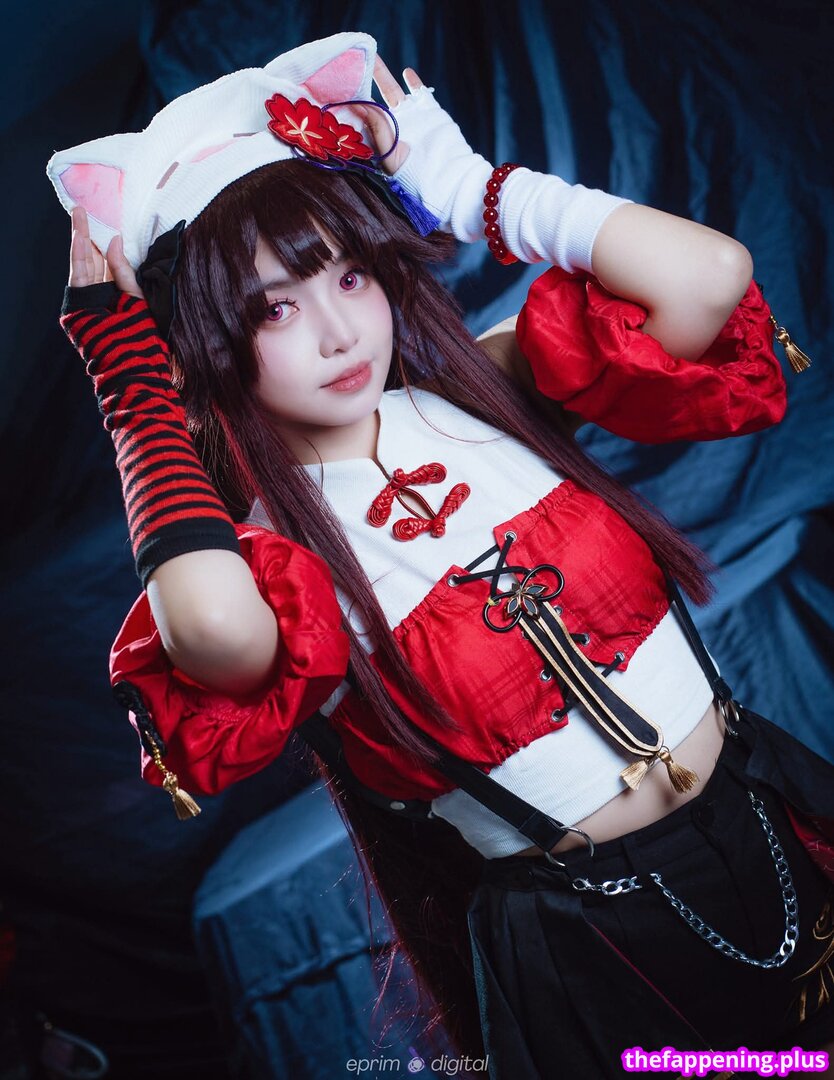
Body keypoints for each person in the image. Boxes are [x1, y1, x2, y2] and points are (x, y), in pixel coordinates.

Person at [47, 30, 834, 1078]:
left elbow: (708, 279)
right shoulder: (270, 566)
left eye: (347, 275)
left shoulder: (490, 393)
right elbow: (213, 631)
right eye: (273, 307)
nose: (338, 333)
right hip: (599, 949)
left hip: (776, 820)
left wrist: (466, 188)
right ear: (204, 344)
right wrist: (132, 387)